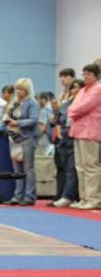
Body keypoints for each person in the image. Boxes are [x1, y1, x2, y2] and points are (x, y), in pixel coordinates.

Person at [67, 64, 101, 210]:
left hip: (90, 131)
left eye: (89, 74)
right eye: (84, 73)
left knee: (90, 166)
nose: (86, 76)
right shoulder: (82, 90)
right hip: (78, 131)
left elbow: (82, 107)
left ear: (96, 75)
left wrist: (74, 110)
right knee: (79, 166)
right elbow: (72, 107)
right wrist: (75, 110)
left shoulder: (98, 89)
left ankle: (93, 198)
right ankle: (84, 198)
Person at [3, 78, 39, 206]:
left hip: (27, 139)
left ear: (27, 90)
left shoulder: (32, 103)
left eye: (21, 89)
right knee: (17, 170)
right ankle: (17, 196)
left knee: (28, 169)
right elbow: (9, 116)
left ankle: (29, 197)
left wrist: (17, 123)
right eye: (17, 89)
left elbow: (34, 120)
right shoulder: (16, 103)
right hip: (15, 139)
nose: (18, 92)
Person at [51, 79, 83, 207]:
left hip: (73, 137)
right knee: (63, 168)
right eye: (73, 88)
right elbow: (58, 119)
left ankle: (68, 196)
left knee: (72, 168)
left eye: (77, 88)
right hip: (62, 139)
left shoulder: (80, 104)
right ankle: (67, 195)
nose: (75, 90)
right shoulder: (67, 103)